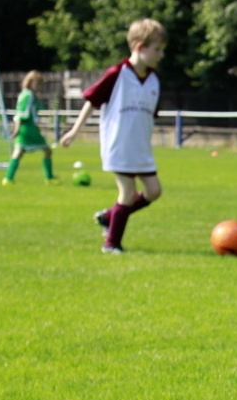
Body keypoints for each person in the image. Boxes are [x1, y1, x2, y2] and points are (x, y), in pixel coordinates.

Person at [58, 18, 167, 253]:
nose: (161, 55)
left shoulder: (154, 80)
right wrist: (74, 131)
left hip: (141, 148)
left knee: (154, 191)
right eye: (157, 49)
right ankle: (111, 244)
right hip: (119, 145)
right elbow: (92, 101)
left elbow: (149, 116)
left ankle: (110, 217)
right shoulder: (118, 73)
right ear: (140, 47)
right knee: (127, 193)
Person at [2, 71, 56, 185]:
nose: (40, 87)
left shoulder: (25, 94)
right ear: (31, 83)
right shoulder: (28, 95)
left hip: (26, 127)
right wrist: (17, 129)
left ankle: (8, 178)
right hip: (27, 128)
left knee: (19, 152)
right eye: (38, 84)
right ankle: (49, 178)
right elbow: (21, 112)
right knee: (47, 150)